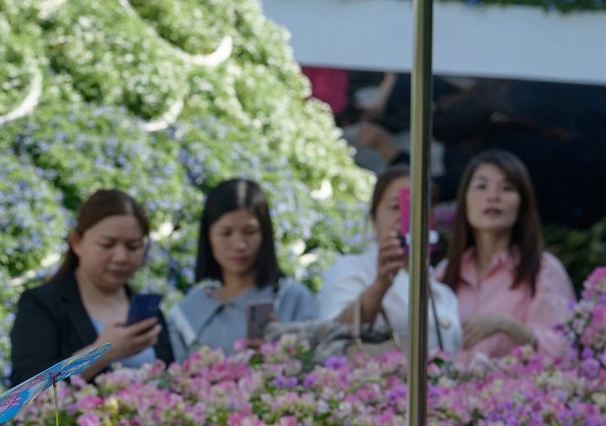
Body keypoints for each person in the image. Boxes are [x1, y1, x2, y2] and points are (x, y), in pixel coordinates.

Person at [9, 189, 174, 386]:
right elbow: (25, 387)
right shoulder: (42, 304)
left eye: (133, 246)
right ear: (77, 243)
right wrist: (101, 353)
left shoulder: (148, 311)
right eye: (107, 244)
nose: (121, 257)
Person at [437, 149, 575, 363]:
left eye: (506, 188)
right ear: (464, 201)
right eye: (482, 186)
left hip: (517, 385)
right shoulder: (445, 272)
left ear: (522, 204)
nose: (493, 196)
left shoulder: (543, 270)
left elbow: (565, 350)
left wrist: (506, 325)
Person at [317, 165, 462, 355]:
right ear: (373, 218)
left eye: (418, 207)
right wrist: (380, 286)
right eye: (396, 207)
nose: (408, 217)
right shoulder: (352, 268)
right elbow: (334, 334)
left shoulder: (440, 289)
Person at [168, 179, 317, 360]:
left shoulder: (291, 300)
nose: (239, 245)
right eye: (226, 233)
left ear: (265, 234)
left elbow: (315, 364)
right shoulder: (190, 309)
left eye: (249, 232)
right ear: (208, 236)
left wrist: (280, 356)